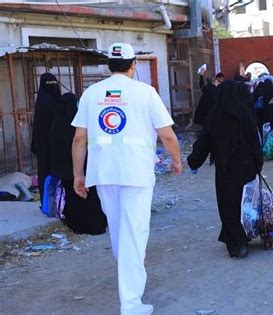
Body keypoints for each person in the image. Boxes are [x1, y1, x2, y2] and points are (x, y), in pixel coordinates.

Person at [71, 42, 182, 315]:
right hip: (136, 173)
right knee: (133, 235)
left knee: (121, 233)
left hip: (104, 173)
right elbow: (167, 134)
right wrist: (177, 159)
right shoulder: (146, 92)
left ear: (110, 65)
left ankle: (130, 284)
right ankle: (131, 304)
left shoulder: (91, 93)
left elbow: (79, 138)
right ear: (133, 65)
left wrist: (78, 174)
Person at [187, 80, 263, 258]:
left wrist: (193, 162)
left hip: (225, 169)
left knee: (228, 205)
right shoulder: (245, 113)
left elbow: (204, 142)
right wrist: (258, 163)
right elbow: (255, 140)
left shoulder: (215, 115)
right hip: (248, 168)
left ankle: (236, 244)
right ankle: (244, 235)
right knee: (246, 203)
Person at [50, 92, 107, 235]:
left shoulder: (56, 124)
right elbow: (81, 141)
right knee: (90, 196)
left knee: (72, 197)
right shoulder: (80, 124)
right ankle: (96, 225)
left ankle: (76, 225)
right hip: (82, 166)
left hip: (65, 169)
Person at [31, 72, 61, 202]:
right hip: (57, 144)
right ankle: (58, 201)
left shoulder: (41, 102)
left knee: (45, 173)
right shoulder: (58, 102)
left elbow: (37, 128)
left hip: (43, 146)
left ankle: (47, 202)